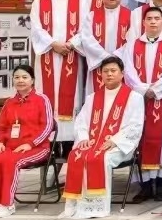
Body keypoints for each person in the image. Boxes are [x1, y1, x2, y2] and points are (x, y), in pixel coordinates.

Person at [59, 56, 146, 219]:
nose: (109, 74)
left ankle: (95, 207)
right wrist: (84, 138)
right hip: (92, 143)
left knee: (101, 158)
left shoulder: (134, 98)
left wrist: (114, 141)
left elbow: (135, 125)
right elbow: (81, 122)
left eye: (113, 71)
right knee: (76, 155)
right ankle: (76, 204)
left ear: (122, 74)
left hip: (119, 146)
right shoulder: (93, 98)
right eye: (105, 71)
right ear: (100, 74)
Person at [115, 6, 162, 202]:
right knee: (140, 136)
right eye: (149, 18)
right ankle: (144, 185)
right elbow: (127, 71)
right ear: (143, 22)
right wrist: (144, 90)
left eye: (156, 18)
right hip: (140, 99)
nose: (153, 22)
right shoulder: (132, 44)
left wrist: (157, 90)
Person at [0, 65, 53, 218]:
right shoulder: (9, 102)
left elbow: (48, 126)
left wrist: (30, 144)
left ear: (32, 80)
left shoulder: (42, 99)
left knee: (11, 162)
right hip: (11, 147)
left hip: (37, 148)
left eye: (24, 77)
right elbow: (0, 127)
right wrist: (0, 143)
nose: (20, 80)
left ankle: (8, 204)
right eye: (16, 77)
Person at [30, 0, 87, 141]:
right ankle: (46, 137)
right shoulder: (39, 3)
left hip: (70, 54)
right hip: (48, 54)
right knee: (46, 94)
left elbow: (86, 28)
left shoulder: (80, 1)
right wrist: (53, 44)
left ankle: (69, 139)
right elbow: (36, 29)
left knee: (71, 96)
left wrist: (70, 44)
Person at [78, 0, 134, 92]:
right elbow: (86, 38)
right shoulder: (92, 16)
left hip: (122, 62)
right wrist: (105, 56)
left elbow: (133, 39)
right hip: (99, 62)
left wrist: (117, 56)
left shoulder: (130, 15)